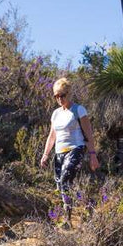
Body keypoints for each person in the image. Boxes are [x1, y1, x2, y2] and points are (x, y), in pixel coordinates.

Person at [40, 77, 99, 226]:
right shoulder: (55, 114)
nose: (59, 99)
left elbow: (89, 134)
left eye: (62, 95)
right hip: (59, 152)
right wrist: (46, 154)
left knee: (66, 179)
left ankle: (67, 219)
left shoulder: (79, 110)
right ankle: (88, 204)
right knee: (61, 185)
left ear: (69, 93)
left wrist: (93, 155)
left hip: (75, 149)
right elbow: (52, 136)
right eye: (56, 96)